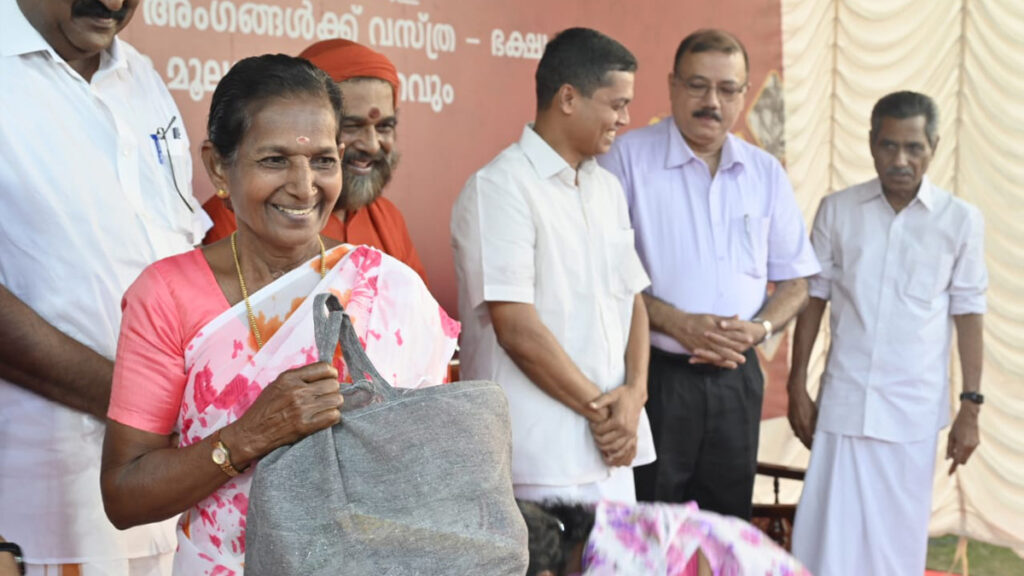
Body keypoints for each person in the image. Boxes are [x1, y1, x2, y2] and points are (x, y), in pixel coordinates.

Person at [99, 54, 459, 574]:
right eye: (274, 160)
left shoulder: (385, 285)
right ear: (219, 166)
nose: (303, 185)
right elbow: (125, 495)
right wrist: (250, 435)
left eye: (322, 161)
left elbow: (438, 467)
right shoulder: (166, 294)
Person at [0, 0, 210, 573]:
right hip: (36, 511)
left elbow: (178, 246)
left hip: (168, 500)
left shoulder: (139, 74)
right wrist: (136, 406)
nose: (114, 3)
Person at [599, 28, 820, 519]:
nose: (711, 102)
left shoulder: (765, 173)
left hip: (736, 380)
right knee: (650, 526)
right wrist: (675, 323)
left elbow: (797, 281)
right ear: (673, 85)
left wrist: (759, 328)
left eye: (727, 89)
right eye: (698, 86)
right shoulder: (626, 160)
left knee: (725, 526)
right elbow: (602, 277)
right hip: (655, 378)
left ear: (743, 95)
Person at [451, 27, 655, 505]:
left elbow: (633, 300)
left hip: (613, 451)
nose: (625, 118)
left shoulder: (607, 188)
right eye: (616, 103)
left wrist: (636, 395)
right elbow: (516, 327)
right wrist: (604, 413)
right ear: (568, 98)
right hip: (537, 457)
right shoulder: (500, 187)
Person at [788, 91, 987, 576]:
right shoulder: (837, 210)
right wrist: (796, 384)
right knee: (824, 540)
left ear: (933, 146)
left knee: (894, 550)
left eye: (914, 147)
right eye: (889, 146)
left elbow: (969, 312)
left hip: (911, 414)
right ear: (872, 143)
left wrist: (970, 406)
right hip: (844, 405)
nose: (901, 160)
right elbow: (813, 301)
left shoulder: (960, 221)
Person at [202, 39, 428, 284]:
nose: (372, 144)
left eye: (384, 126)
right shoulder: (245, 211)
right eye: (352, 125)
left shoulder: (388, 218)